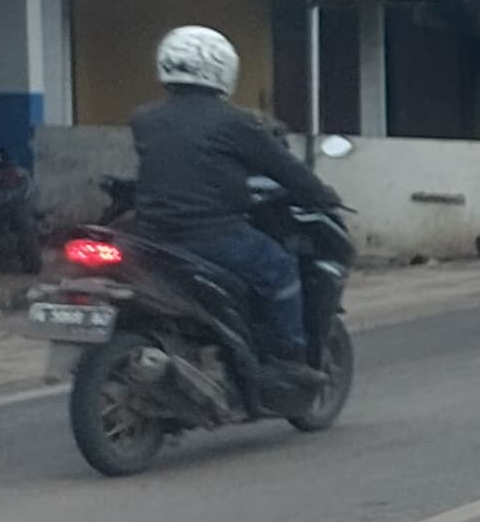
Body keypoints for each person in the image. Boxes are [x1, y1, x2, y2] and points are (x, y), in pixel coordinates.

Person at [127, 23, 337, 391]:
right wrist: (322, 195)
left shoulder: (144, 119)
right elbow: (284, 168)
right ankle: (289, 359)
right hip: (212, 236)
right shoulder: (235, 122)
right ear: (221, 68)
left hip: (152, 236)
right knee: (281, 269)